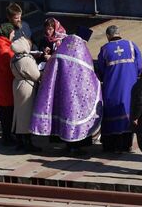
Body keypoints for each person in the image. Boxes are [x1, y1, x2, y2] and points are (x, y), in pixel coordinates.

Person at [30, 19, 102, 156]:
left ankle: (68, 145)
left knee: (65, 116)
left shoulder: (65, 46)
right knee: (75, 118)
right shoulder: (81, 50)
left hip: (63, 90)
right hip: (78, 94)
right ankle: (75, 147)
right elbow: (88, 72)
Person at [95, 25, 141, 153]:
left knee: (112, 115)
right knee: (128, 114)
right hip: (130, 88)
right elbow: (140, 66)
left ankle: (112, 146)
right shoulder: (132, 45)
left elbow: (101, 70)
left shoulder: (105, 49)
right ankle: (127, 145)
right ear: (119, 33)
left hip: (112, 89)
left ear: (108, 36)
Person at [10, 35, 41, 151]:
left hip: (17, 84)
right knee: (26, 115)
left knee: (18, 113)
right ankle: (27, 143)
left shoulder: (14, 58)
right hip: (26, 87)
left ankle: (19, 141)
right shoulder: (25, 59)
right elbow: (36, 75)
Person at [0, 23, 17, 147]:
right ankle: (6, 137)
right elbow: (11, 64)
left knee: (4, 109)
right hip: (7, 81)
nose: (14, 35)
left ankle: (6, 135)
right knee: (8, 111)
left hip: (2, 80)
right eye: (12, 33)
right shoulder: (4, 48)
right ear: (7, 33)